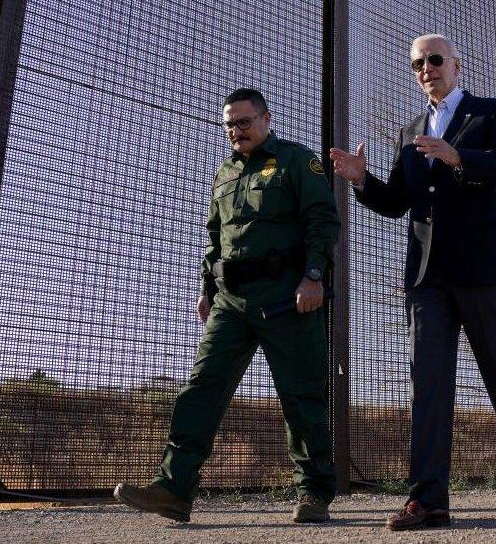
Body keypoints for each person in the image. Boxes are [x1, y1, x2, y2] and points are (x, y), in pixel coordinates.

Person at [329, 34, 496, 530]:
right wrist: (363, 181)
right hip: (425, 278)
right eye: (417, 63)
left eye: (434, 59)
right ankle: (428, 499)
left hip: (481, 270)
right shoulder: (411, 129)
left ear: (455, 64)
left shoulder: (490, 112)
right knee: (428, 384)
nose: (425, 68)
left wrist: (459, 158)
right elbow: (397, 202)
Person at [114, 88, 341, 523]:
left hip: (287, 298)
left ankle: (314, 491)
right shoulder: (224, 173)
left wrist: (313, 277)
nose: (236, 131)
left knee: (300, 396)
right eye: (229, 125)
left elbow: (322, 220)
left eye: (244, 121)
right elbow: (215, 238)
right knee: (202, 388)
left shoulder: (296, 160)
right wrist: (207, 288)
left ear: (266, 118)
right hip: (231, 302)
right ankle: (175, 488)